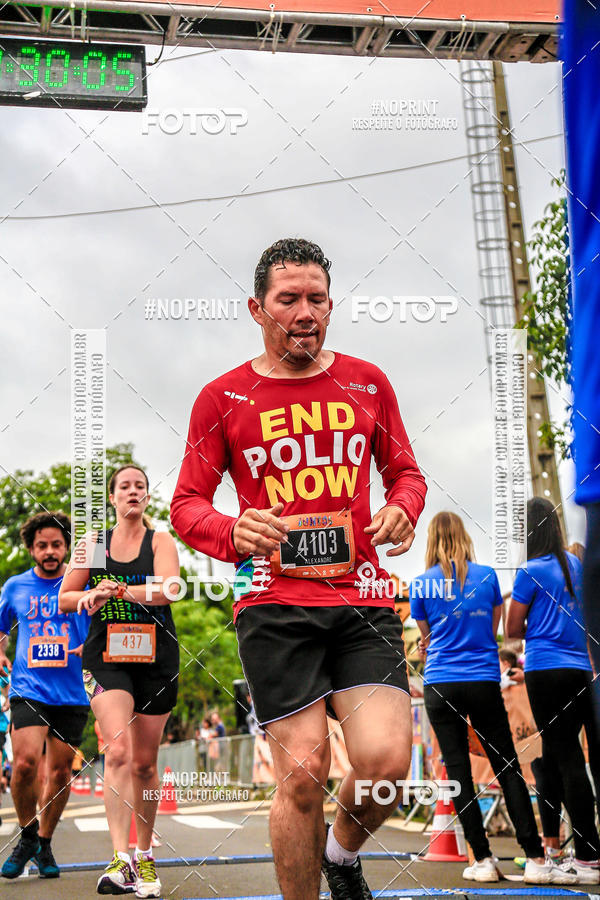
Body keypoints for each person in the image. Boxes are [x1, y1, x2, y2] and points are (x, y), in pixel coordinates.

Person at [171, 237, 427, 900]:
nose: (305, 311)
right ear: (258, 309)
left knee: (385, 765)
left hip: (363, 599)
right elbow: (186, 505)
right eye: (289, 299)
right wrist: (233, 530)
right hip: (274, 605)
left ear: (331, 305)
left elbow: (405, 472)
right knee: (303, 771)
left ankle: (341, 857)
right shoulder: (222, 397)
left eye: (317, 298)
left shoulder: (368, 381)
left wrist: (403, 507)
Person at [410, 511, 568, 885]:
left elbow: (428, 641)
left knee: (458, 772)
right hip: (481, 678)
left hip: (440, 682)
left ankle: (482, 859)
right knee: (506, 766)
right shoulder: (486, 578)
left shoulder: (420, 584)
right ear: (464, 537)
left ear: (431, 539)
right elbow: (493, 629)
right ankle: (533, 857)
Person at [58, 465, 181, 898]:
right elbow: (65, 597)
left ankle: (145, 856)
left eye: (140, 486)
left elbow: (169, 589)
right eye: (124, 486)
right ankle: (119, 858)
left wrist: (121, 591)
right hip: (106, 658)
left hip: (156, 658)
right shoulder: (92, 544)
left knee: (145, 763)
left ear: (147, 497)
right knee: (118, 750)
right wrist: (89, 595)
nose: (133, 492)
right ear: (112, 498)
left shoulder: (160, 540)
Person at [507, 496, 600, 885]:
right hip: (581, 671)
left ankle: (587, 858)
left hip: (545, 671)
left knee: (565, 761)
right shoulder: (577, 565)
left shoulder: (530, 570)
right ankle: (578, 852)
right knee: (578, 759)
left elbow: (512, 629)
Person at [0, 511, 90, 879]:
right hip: (28, 688)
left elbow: (99, 624)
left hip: (71, 692)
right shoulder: (15, 587)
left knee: (59, 772)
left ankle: (45, 842)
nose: (50, 551)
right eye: (42, 546)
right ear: (31, 549)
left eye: (56, 544)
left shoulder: (81, 584)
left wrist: (90, 648)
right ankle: (27, 836)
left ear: (66, 546)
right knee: (23, 764)